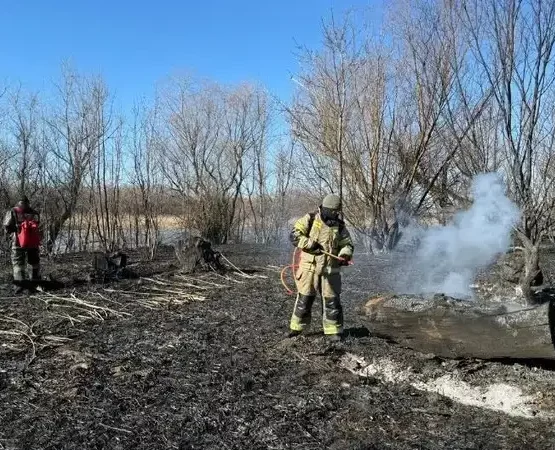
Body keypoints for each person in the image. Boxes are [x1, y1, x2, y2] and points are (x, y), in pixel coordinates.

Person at [288, 193, 354, 341]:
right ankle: (297, 330)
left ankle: (333, 332)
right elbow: (294, 235)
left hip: (330, 270)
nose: (335, 215)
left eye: (337, 213)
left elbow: (347, 244)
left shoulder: (339, 226)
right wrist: (310, 245)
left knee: (332, 302)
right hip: (309, 269)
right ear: (326, 209)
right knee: (304, 299)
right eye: (334, 212)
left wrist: (344, 255)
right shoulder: (310, 219)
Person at [3, 196, 41, 293]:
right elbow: (38, 226)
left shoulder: (13, 211)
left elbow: (7, 226)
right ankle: (35, 282)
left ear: (18, 202)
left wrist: (14, 232)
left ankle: (20, 285)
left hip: (18, 242)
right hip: (33, 242)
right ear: (28, 202)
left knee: (18, 262)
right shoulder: (34, 212)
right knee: (34, 262)